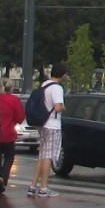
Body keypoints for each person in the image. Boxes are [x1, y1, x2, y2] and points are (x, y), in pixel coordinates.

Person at [28, 65, 66, 199]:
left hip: (42, 124)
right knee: (48, 156)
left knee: (42, 155)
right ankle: (44, 188)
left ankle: (32, 187)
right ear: (63, 75)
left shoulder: (44, 85)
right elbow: (57, 107)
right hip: (52, 125)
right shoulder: (57, 88)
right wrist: (63, 107)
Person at [0, 88, 22, 192]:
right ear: (10, 88)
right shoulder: (14, 100)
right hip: (9, 134)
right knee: (9, 157)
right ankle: (3, 177)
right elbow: (20, 118)